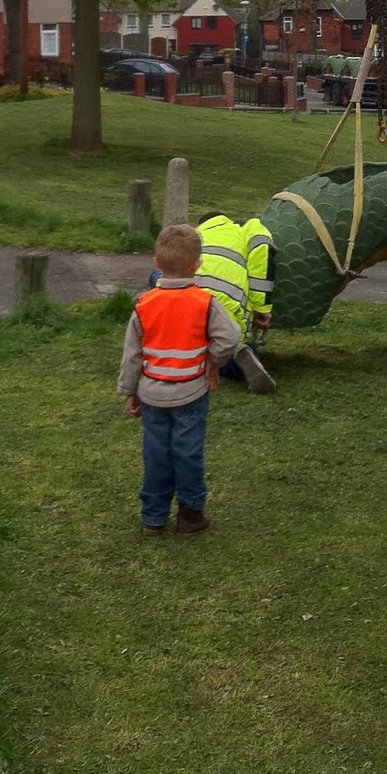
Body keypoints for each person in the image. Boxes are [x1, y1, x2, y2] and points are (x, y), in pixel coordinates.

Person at [117, 223, 239, 539]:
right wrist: (211, 362)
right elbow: (229, 339)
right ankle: (190, 516)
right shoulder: (206, 303)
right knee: (187, 452)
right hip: (192, 393)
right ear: (197, 265)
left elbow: (132, 355)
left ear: (156, 263)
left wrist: (130, 390)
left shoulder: (143, 305)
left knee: (155, 454)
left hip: (152, 395)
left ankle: (153, 519)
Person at [193, 211, 278, 394]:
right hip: (230, 307)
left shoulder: (193, 236)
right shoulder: (246, 230)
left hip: (191, 304)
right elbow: (262, 249)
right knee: (225, 344)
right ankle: (237, 354)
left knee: (195, 350)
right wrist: (261, 308)